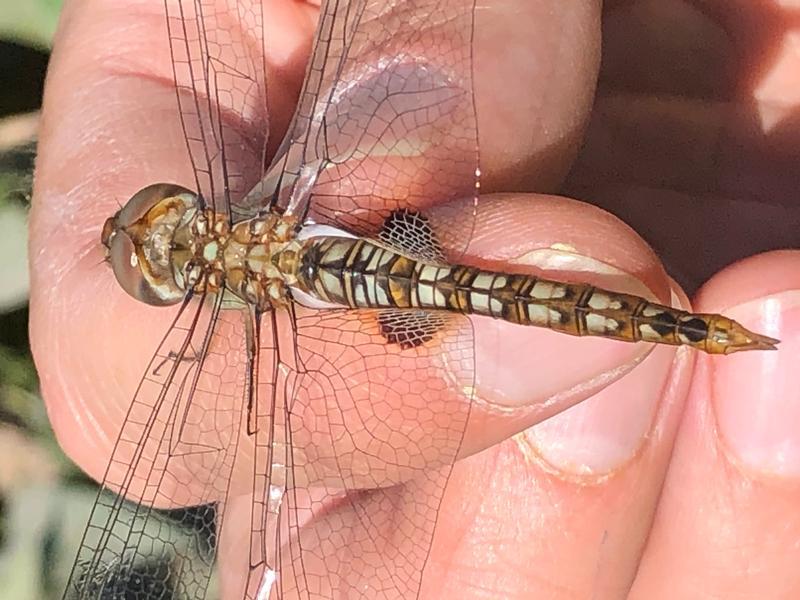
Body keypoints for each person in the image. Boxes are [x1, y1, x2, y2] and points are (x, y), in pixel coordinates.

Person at [29, 0, 799, 598]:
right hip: (412, 250)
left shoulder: (240, 323)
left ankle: (668, 332)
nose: (161, 236)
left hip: (412, 271)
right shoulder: (270, 203)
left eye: (161, 227)